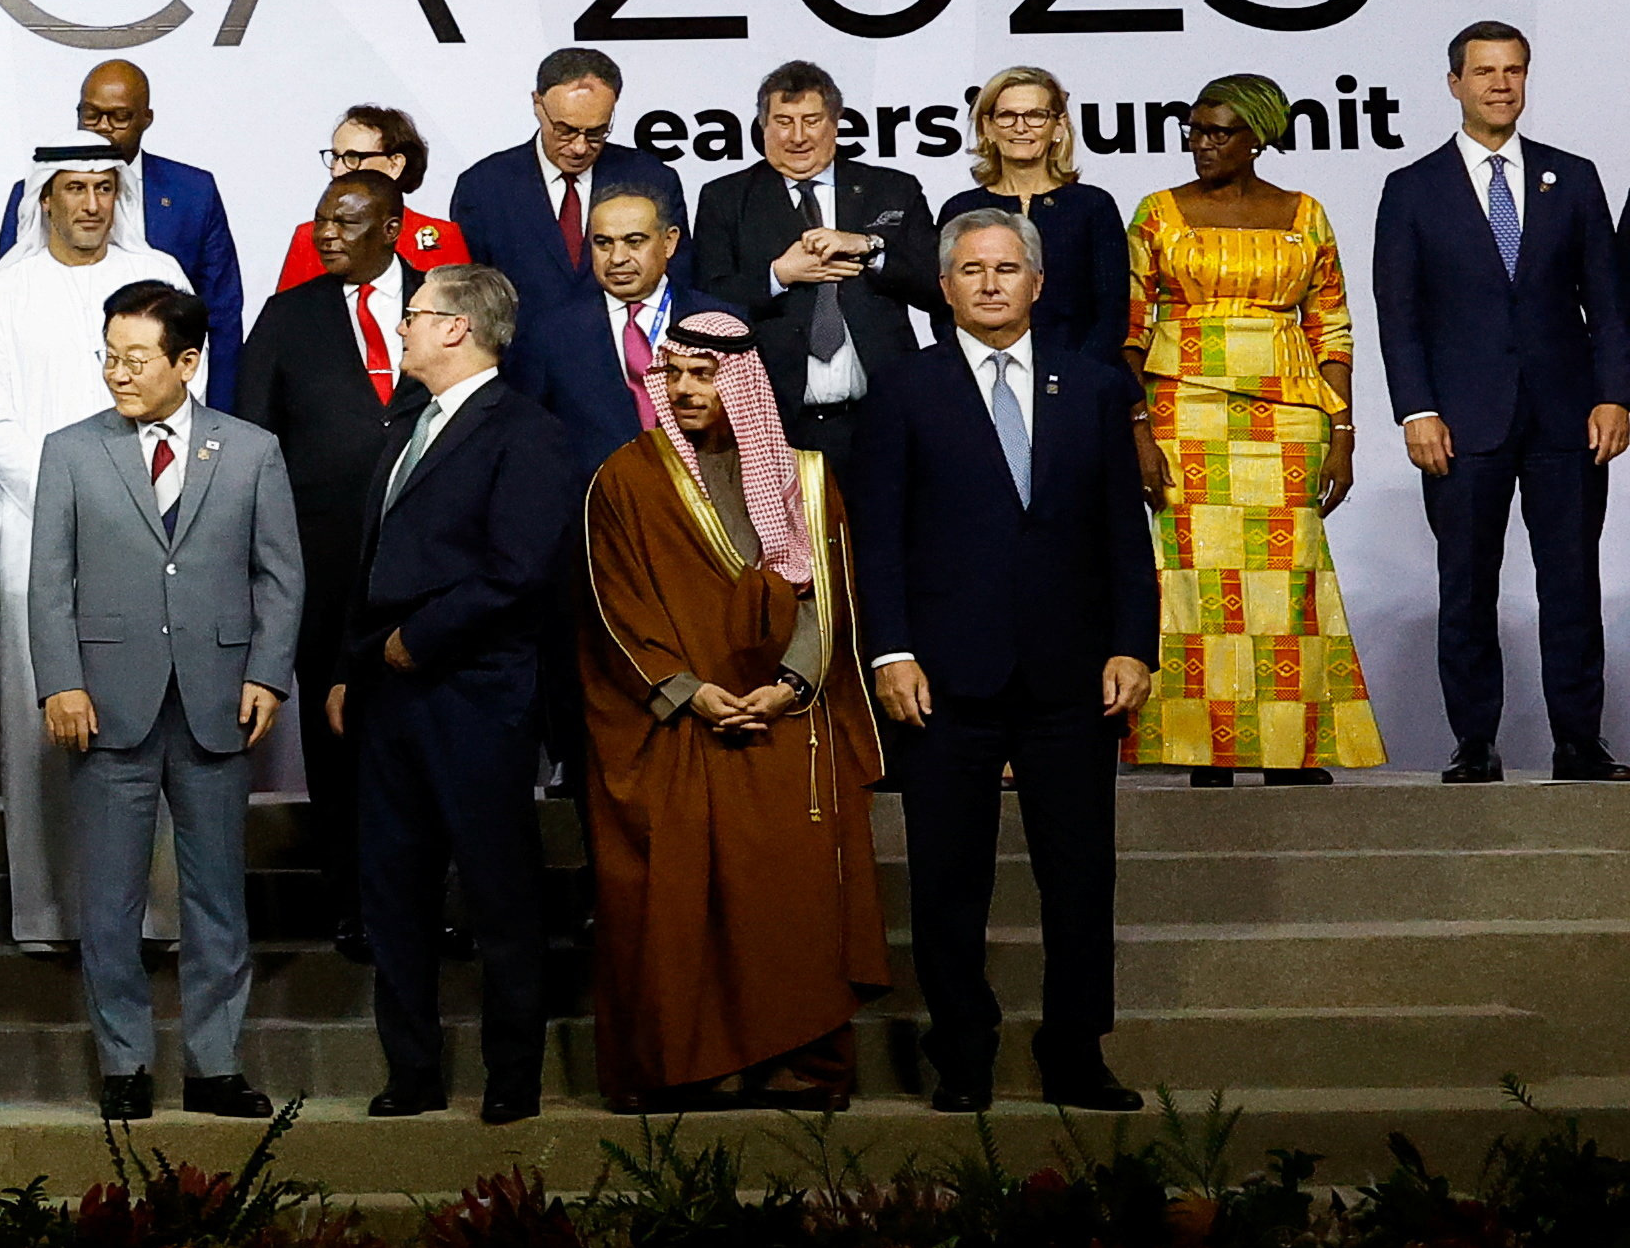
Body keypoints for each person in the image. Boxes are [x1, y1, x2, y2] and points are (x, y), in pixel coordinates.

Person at [854, 201, 1160, 1112]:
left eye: (1006, 269)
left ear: (1038, 281)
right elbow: (879, 537)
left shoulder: (1095, 386)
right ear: (944, 287)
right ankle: (964, 1053)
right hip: (944, 678)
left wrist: (1132, 647)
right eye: (972, 271)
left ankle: (1077, 1050)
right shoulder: (904, 389)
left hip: (1074, 674)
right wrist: (892, 652)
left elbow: (1122, 534)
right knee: (950, 879)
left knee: (1080, 874)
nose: (990, 284)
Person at [573, 311, 887, 1110]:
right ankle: (694, 1063)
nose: (683, 390)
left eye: (704, 375)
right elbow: (616, 607)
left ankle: (798, 1063)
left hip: (783, 717)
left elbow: (827, 599)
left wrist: (791, 686)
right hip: (677, 722)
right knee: (679, 903)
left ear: (743, 383)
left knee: (789, 898)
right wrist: (689, 691)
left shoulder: (805, 477)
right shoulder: (626, 477)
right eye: (673, 373)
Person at [23, 284, 302, 1119]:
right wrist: (61, 680)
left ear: (187, 362)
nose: (117, 372)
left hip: (219, 701)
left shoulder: (251, 450)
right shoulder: (71, 451)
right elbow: (49, 584)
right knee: (109, 895)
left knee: (217, 892)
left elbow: (281, 578)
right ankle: (124, 1064)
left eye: (135, 358)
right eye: (109, 355)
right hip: (107, 703)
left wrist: (267, 672)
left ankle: (216, 1065)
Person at [335, 265, 581, 1123]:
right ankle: (413, 1073)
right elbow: (369, 562)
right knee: (392, 893)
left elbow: (518, 572)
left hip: (476, 693)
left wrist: (420, 639)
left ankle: (512, 1079)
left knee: (498, 890)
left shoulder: (525, 431)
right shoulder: (407, 422)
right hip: (389, 695)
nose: (399, 329)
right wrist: (354, 665)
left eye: (411, 315)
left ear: (455, 328)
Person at [1374, 19, 1630, 783]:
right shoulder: (1412, 188)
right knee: (1467, 585)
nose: (1500, 84)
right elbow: (1401, 313)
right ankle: (1474, 742)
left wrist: (1616, 394)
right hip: (1460, 422)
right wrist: (1416, 410)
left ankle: (1579, 743)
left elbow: (1609, 305)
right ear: (1454, 83)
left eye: (1513, 71)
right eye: (1484, 71)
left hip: (1567, 417)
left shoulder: (1573, 176)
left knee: (1571, 583)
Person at [1130, 74, 1385, 782]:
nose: (1202, 144)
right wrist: (1139, 431)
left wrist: (1342, 432)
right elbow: (1128, 328)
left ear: (1257, 139)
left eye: (1220, 132)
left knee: (1288, 582)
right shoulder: (1157, 212)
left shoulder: (1304, 214)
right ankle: (1205, 750)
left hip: (1288, 414)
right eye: (1195, 128)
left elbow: (1331, 328)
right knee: (1192, 583)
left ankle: (1290, 750)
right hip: (1185, 412)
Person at [0, 138, 164, 945]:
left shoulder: (160, 279)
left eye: (103, 188)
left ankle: (152, 916)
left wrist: (123, 507)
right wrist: (73, 504)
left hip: (152, 534)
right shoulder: (2, 294)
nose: (89, 205)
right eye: (72, 189)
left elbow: (187, 390)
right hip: (30, 527)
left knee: (146, 718)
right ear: (45, 198)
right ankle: (46, 913)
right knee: (41, 722)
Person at [236, 173, 424, 958]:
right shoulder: (288, 317)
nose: (326, 235)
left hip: (428, 572)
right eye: (320, 220)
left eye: (346, 222)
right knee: (337, 744)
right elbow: (251, 440)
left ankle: (423, 902)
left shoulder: (445, 303)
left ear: (391, 227)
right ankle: (351, 902)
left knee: (423, 745)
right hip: (322, 573)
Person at [683, 60, 938, 473]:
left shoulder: (892, 188)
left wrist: (870, 248)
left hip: (882, 420)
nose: (798, 137)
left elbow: (936, 286)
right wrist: (778, 276)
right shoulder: (725, 198)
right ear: (762, 127)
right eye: (783, 121)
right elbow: (706, 306)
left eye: (812, 120)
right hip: (775, 427)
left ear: (835, 123)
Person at [0, 60, 246, 405]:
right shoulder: (34, 192)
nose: (103, 128)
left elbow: (221, 314)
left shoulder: (193, 192)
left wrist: (219, 416)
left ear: (147, 118)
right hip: (56, 395)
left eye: (119, 118)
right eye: (91, 115)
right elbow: (10, 301)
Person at [450, 48, 681, 322]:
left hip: (626, 355)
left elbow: (678, 281)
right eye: (565, 130)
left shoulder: (651, 179)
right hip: (520, 358)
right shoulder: (483, 187)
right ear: (538, 105)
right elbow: (469, 298)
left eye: (596, 132)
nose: (580, 147)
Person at [962, 65, 1134, 370]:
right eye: (1007, 116)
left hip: (1081, 380)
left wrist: (1078, 378)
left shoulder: (1093, 206)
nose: (1021, 127)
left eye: (1035, 115)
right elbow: (948, 307)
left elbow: (1112, 313)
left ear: (1058, 126)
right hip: (985, 381)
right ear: (987, 127)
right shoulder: (962, 210)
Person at [517, 183, 690, 473]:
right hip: (592, 506)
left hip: (701, 508)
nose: (617, 258)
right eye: (603, 243)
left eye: (634, 242)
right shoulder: (550, 334)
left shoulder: (720, 322)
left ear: (669, 242)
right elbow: (530, 439)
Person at [262, 105, 469, 290]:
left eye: (353, 158)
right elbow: (286, 321)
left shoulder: (441, 238)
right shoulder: (309, 237)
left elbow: (463, 320)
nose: (337, 170)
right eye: (335, 157)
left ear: (395, 164)